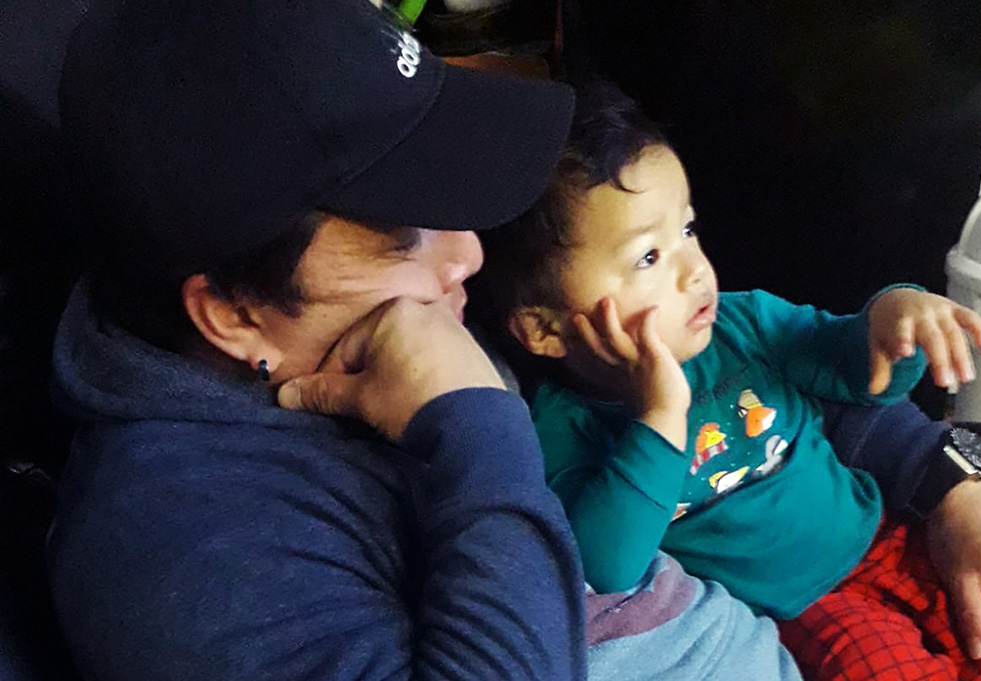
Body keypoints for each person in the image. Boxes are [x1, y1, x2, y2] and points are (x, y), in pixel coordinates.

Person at [47, 1, 591, 679]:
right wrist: (479, 428)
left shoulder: (345, 324)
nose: (469, 255)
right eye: (402, 236)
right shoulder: (177, 557)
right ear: (232, 312)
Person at [474, 80, 981, 680]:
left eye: (689, 230)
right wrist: (661, 412)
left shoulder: (742, 321)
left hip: (890, 534)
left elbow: (861, 379)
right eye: (649, 257)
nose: (693, 270)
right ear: (543, 330)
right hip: (805, 611)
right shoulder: (558, 431)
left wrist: (892, 318)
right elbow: (609, 568)